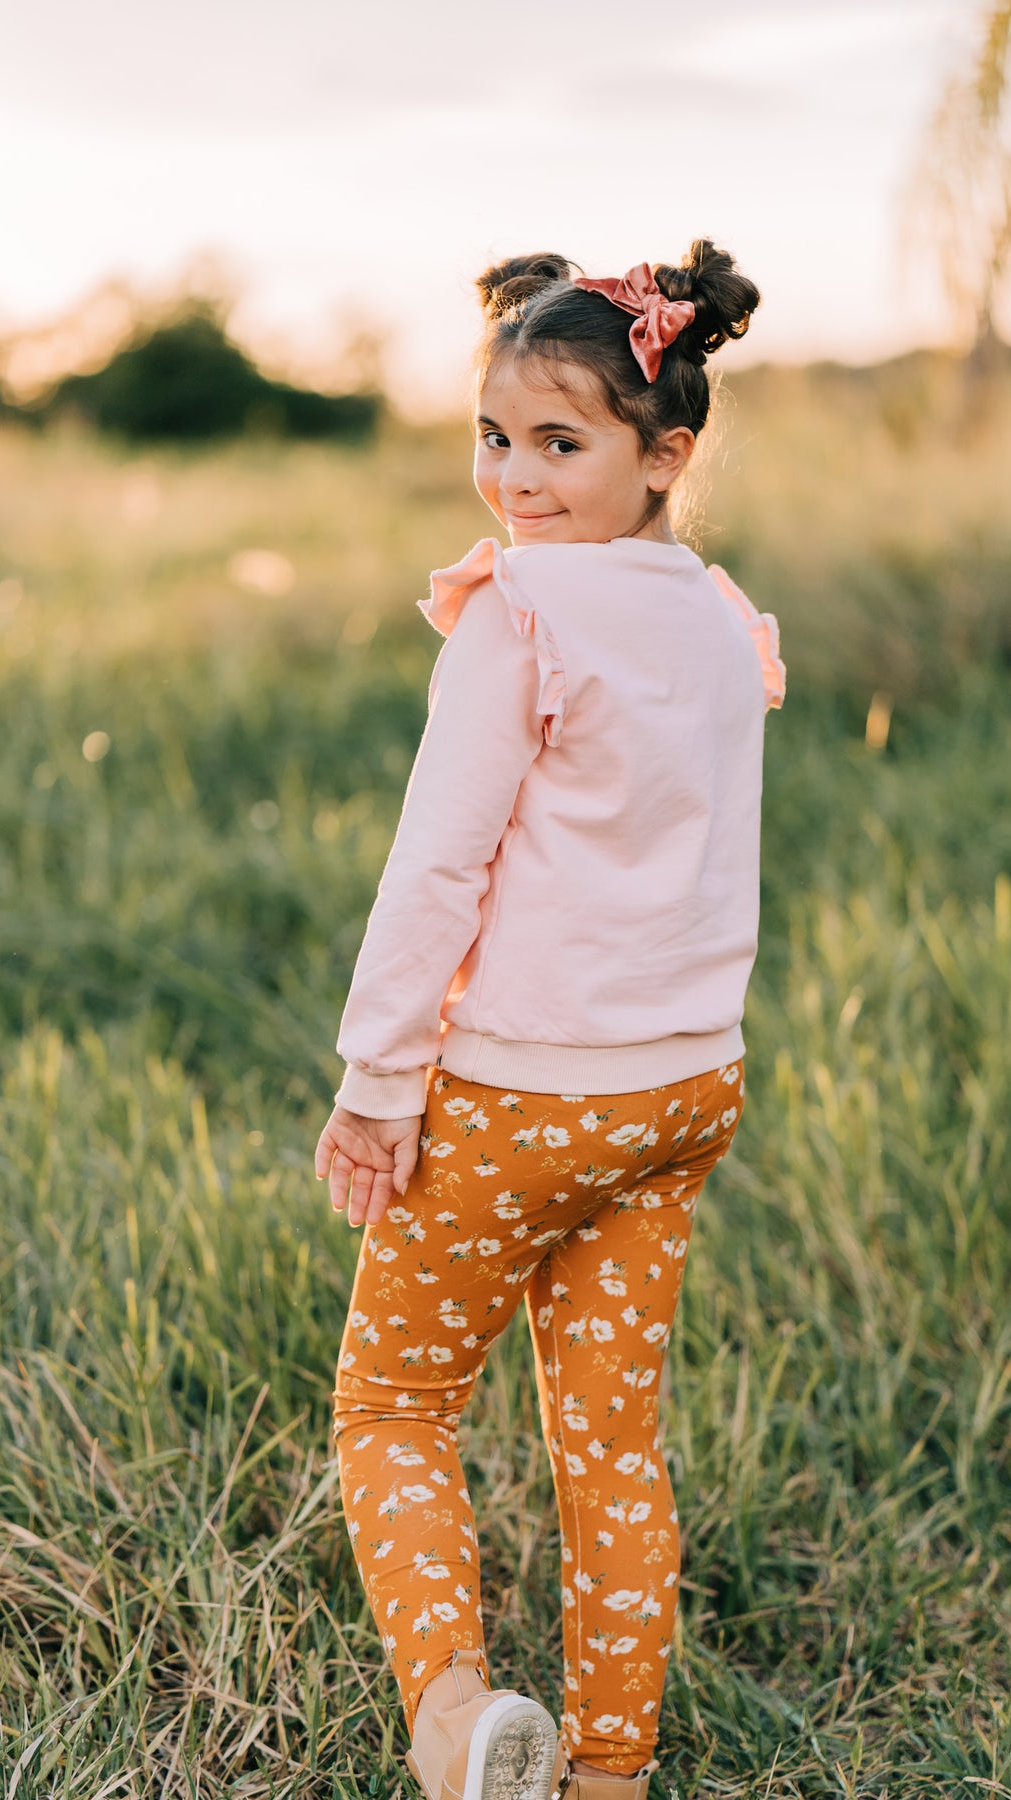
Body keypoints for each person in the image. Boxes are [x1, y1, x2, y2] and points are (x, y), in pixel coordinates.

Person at [314, 239, 786, 1800]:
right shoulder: (720, 621)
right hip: (682, 1096)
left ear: (667, 454)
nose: (512, 479)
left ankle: (454, 1721)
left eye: (561, 444)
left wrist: (381, 1081)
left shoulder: (520, 620)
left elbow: (437, 862)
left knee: (393, 1401)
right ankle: (607, 1771)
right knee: (610, 1442)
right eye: (493, 437)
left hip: (521, 1096)